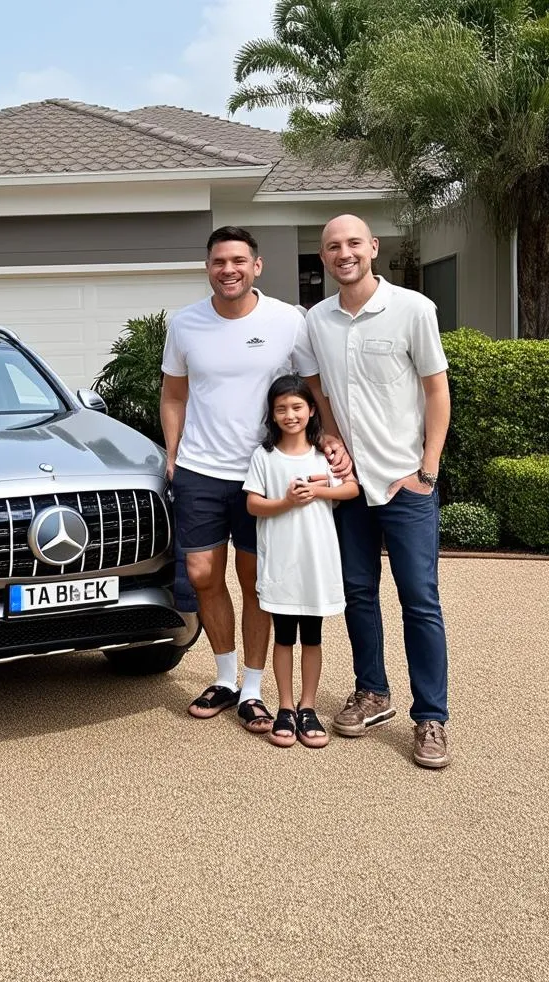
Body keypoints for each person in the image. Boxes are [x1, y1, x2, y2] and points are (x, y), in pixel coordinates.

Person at [160, 226, 351, 732]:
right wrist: (173, 453)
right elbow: (174, 395)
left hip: (263, 469)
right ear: (208, 267)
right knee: (202, 573)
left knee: (256, 583)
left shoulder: (288, 320)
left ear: (256, 266)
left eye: (239, 260)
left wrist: (329, 436)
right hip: (201, 469)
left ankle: (251, 688)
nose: (229, 269)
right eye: (220, 261)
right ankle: (224, 677)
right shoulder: (185, 325)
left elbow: (313, 388)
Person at [299, 214, 452, 769]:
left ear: (373, 248)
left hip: (406, 485)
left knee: (420, 601)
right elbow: (315, 386)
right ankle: (373, 692)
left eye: (353, 243)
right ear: (323, 257)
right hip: (352, 487)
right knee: (358, 593)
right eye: (333, 246)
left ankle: (431, 718)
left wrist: (427, 471)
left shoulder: (413, 309)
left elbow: (437, 391)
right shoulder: (316, 321)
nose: (344, 253)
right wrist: (331, 435)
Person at [243, 374, 360, 748]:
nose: (290, 415)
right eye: (281, 409)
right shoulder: (264, 456)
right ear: (272, 415)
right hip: (281, 564)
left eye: (297, 407)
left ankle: (308, 707)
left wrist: (320, 490)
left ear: (311, 411)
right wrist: (287, 501)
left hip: (315, 563)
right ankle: (286, 707)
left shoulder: (323, 455)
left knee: (312, 637)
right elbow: (253, 504)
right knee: (283, 637)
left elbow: (352, 488)